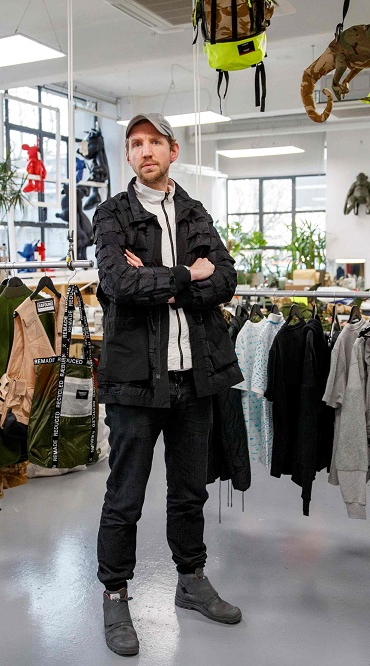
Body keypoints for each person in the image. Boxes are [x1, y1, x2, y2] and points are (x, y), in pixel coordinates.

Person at [92, 113, 244, 656]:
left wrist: (165, 281)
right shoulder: (112, 214)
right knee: (125, 496)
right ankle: (115, 596)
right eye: (135, 144)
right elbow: (118, 282)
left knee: (189, 491)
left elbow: (225, 278)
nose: (144, 150)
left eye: (154, 141)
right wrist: (185, 276)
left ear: (173, 151)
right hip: (135, 381)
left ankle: (191, 581)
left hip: (195, 376)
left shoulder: (194, 211)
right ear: (128, 155)